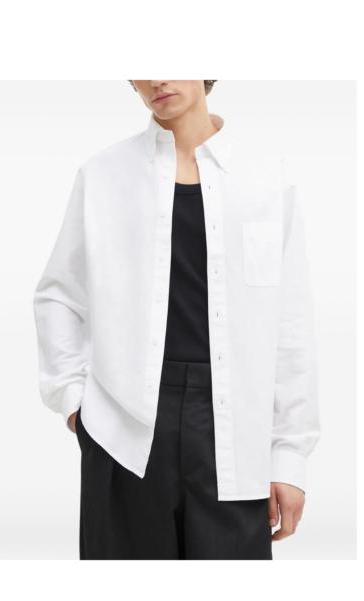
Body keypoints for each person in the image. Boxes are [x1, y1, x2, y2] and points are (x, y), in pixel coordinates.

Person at [32, 80, 321, 560]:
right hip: (123, 430)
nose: (158, 78)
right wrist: (75, 403)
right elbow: (58, 293)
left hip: (235, 431)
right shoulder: (103, 175)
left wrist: (289, 458)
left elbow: (290, 324)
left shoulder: (267, 180)